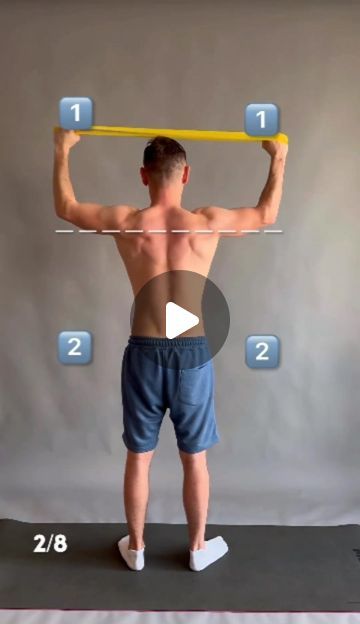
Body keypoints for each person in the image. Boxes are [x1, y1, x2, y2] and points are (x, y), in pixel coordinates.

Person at [53, 129, 288, 571]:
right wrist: (279, 157)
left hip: (143, 352)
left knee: (138, 457)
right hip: (192, 354)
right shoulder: (207, 223)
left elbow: (65, 208)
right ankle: (197, 549)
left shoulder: (128, 222)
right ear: (187, 176)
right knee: (193, 457)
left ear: (144, 176)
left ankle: (137, 548)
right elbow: (265, 213)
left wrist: (62, 150)